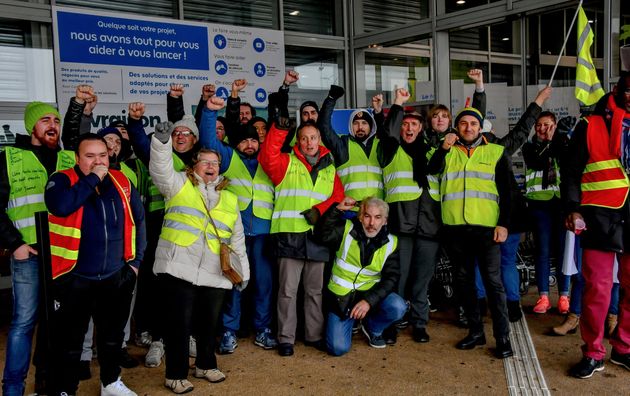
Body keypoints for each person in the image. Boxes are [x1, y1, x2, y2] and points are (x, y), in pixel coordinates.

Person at [149, 121, 249, 393]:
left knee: (209, 323)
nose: (210, 165)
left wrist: (244, 273)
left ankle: (205, 364)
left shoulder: (230, 198)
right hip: (177, 266)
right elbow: (160, 169)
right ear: (194, 164)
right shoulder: (178, 184)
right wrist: (161, 143)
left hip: (215, 270)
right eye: (205, 161)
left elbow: (236, 238)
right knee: (178, 324)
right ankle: (175, 374)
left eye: (215, 162)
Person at [44, 134, 146, 396]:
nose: (98, 161)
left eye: (102, 155)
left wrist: (134, 263)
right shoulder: (62, 180)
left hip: (115, 275)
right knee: (70, 343)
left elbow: (140, 220)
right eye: (90, 156)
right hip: (74, 276)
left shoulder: (122, 180)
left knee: (112, 338)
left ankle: (110, 383)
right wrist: (93, 178)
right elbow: (61, 206)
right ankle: (66, 389)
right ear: (77, 158)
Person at [0, 101, 75, 396]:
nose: (52, 125)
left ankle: (48, 382)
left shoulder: (68, 158)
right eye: (45, 120)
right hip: (28, 253)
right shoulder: (9, 157)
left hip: (64, 255)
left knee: (56, 321)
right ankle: (13, 389)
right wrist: (14, 244)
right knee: (23, 322)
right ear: (32, 126)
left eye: (56, 120)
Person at [427, 107, 513, 359]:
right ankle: (476, 331)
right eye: (463, 123)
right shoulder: (447, 150)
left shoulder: (496, 152)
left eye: (473, 124)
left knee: (493, 283)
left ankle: (503, 337)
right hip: (455, 228)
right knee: (463, 282)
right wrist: (443, 147)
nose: (467, 128)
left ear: (480, 127)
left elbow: (508, 193)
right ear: (457, 127)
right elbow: (431, 169)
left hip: (487, 229)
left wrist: (504, 224)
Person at [562, 72, 630, 378]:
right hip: (599, 218)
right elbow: (571, 171)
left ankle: (624, 347)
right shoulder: (589, 125)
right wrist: (573, 209)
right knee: (597, 290)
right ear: (618, 89)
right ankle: (592, 351)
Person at [259, 117, 344, 357]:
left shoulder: (329, 166)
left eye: (313, 138)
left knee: (314, 291)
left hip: (317, 236)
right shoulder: (286, 163)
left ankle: (313, 335)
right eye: (304, 138)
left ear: (320, 140)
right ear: (298, 141)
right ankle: (286, 338)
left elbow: (338, 195)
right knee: (287, 291)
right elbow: (267, 157)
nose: (309, 142)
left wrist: (320, 210)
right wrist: (278, 130)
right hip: (289, 236)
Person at [199, 96, 278, 353]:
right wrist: (211, 112)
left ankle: (263, 329)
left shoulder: (269, 161)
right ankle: (229, 332)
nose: (249, 144)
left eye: (254, 140)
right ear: (236, 142)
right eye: (244, 140)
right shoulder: (229, 157)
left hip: (265, 234)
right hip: (237, 235)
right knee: (235, 282)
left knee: (264, 285)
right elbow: (209, 141)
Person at [314, 196, 406, 355]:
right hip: (341, 299)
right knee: (337, 348)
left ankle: (372, 327)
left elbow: (392, 278)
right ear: (360, 217)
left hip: (369, 295)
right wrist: (337, 210)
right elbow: (321, 234)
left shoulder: (392, 242)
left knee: (398, 306)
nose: (372, 223)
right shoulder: (346, 229)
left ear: (385, 221)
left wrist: (369, 302)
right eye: (367, 216)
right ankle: (351, 322)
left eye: (378, 217)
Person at [522, 111, 571, 314]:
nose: (543, 129)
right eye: (540, 125)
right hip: (539, 205)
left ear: (555, 125)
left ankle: (564, 296)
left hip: (560, 205)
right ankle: (543, 296)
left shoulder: (563, 144)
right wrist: (551, 143)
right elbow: (538, 163)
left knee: (563, 252)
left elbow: (567, 161)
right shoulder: (529, 147)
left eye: (548, 125)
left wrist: (557, 140)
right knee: (542, 251)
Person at [318, 85, 384, 201]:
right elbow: (324, 128)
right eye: (356, 123)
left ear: (371, 126)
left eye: (364, 123)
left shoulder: (380, 145)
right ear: (350, 126)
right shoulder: (343, 145)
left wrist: (378, 113)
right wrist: (331, 99)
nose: (360, 127)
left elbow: (389, 134)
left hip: (376, 212)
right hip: (350, 212)